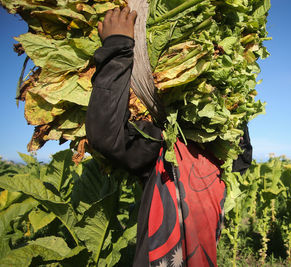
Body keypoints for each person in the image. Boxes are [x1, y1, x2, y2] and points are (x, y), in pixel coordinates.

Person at [86, 7, 252, 267]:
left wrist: (117, 49)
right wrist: (118, 47)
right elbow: (107, 136)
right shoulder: (167, 149)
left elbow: (106, 136)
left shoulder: (215, 160)